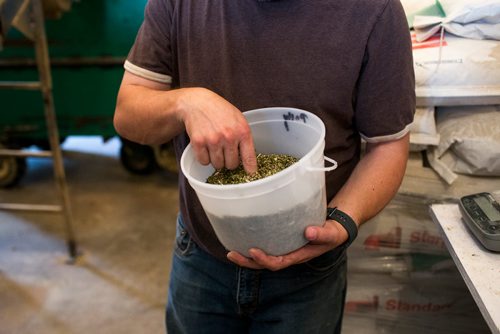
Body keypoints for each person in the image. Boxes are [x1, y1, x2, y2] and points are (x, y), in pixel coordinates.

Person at [113, 0, 415, 333]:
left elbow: (386, 145)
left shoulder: (374, 11)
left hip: (308, 269)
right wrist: (184, 102)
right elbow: (129, 114)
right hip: (202, 257)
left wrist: (343, 220)